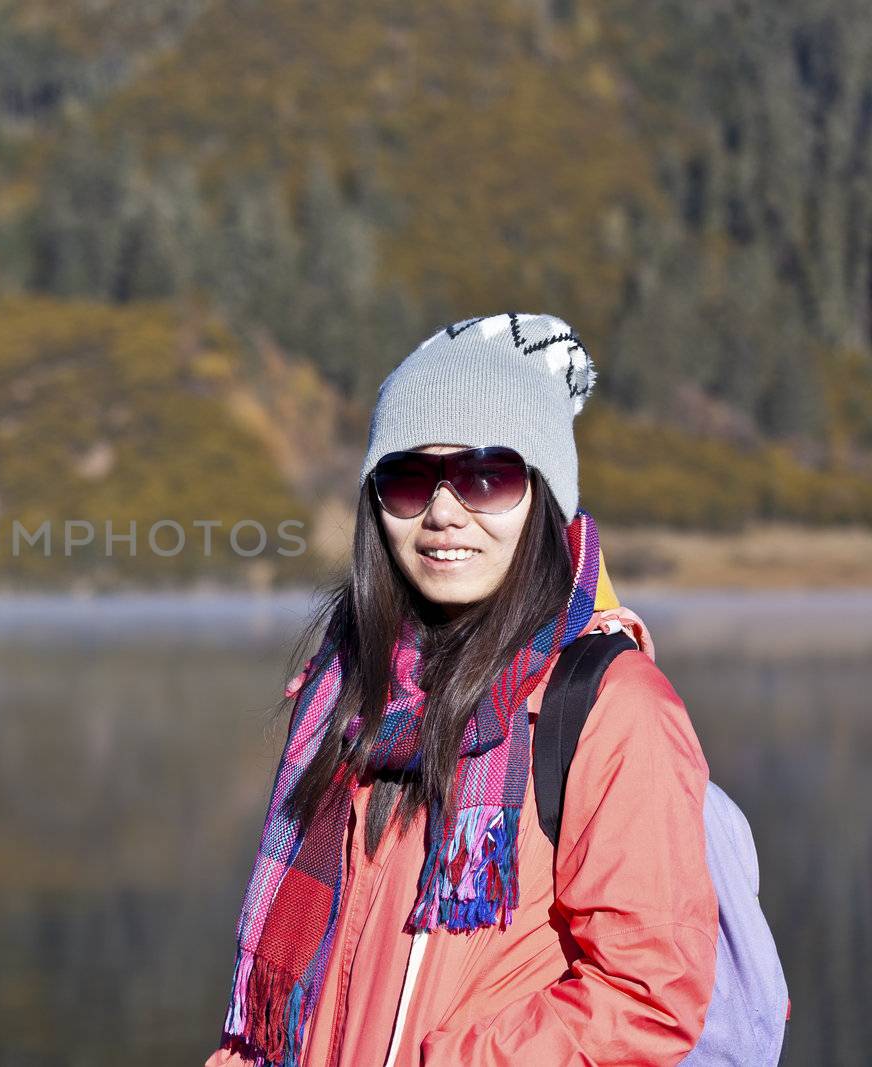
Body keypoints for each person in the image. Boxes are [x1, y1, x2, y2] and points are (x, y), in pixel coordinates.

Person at [205, 314, 718, 1066]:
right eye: (409, 480)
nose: (444, 511)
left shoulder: (608, 705)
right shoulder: (344, 699)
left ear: (542, 495)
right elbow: (268, 1025)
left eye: (486, 475)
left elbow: (650, 991)